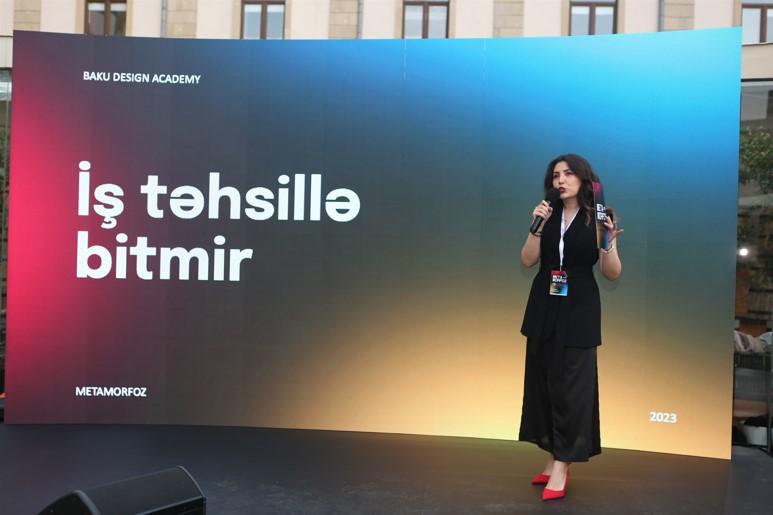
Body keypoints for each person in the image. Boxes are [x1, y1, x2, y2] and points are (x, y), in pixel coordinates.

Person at [518, 154, 622, 501]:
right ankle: (552, 457)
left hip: (579, 309)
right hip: (544, 305)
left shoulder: (599, 217)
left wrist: (608, 241)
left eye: (567, 174)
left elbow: (612, 273)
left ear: (583, 178)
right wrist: (536, 227)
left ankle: (563, 464)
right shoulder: (545, 215)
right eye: (555, 175)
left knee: (572, 389)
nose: (560, 180)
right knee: (544, 383)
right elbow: (527, 260)